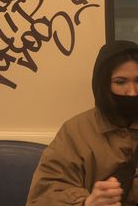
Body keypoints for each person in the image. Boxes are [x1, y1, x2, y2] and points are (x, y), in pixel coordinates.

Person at [25, 40, 138, 206]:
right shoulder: (75, 132)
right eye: (120, 82)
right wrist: (87, 203)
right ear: (103, 85)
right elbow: (42, 197)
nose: (132, 92)